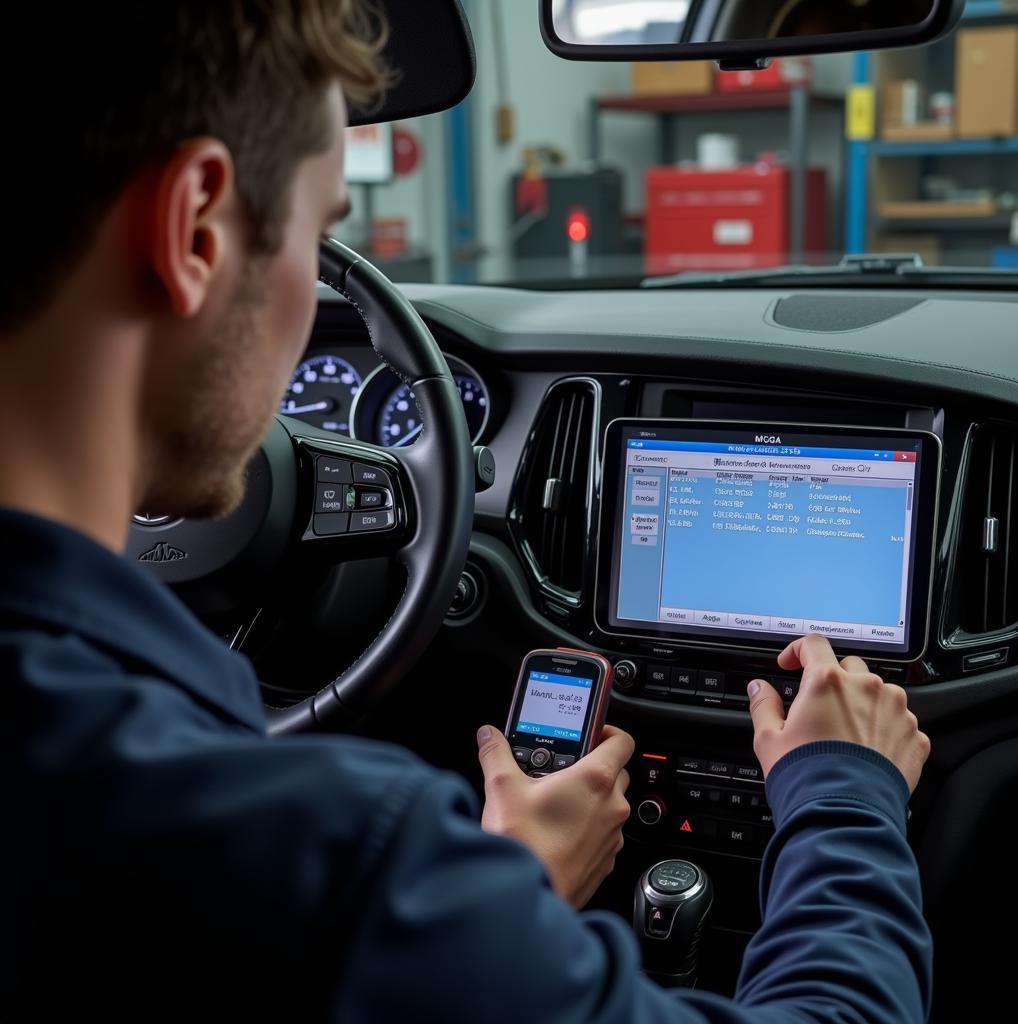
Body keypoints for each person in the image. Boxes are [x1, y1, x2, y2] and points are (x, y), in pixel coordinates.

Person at [0, 3, 931, 1021]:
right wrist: (842, 789)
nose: (314, 296)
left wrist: (490, 918)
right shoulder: (328, 871)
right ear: (193, 231)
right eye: (316, 239)